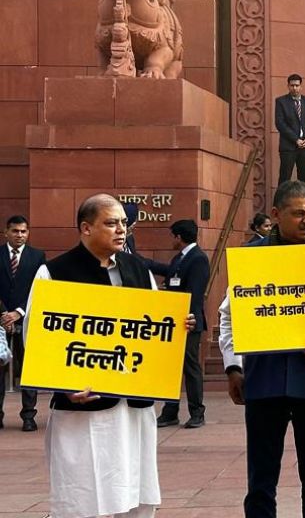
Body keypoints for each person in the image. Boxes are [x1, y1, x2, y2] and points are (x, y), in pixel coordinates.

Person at [31, 194, 195, 518]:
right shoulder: (54, 273)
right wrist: (63, 384)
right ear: (86, 228)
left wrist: (177, 326)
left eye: (123, 222)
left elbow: (151, 327)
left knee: (135, 493)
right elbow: (37, 335)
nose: (121, 229)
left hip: (133, 410)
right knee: (83, 497)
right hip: (83, 410)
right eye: (110, 223)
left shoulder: (139, 268)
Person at [219, 181, 305, 518]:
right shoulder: (251, 259)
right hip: (263, 381)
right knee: (261, 481)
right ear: (276, 215)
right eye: (299, 213)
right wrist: (233, 367)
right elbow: (229, 316)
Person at [156, 219, 210, 429]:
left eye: (173, 236)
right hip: (174, 320)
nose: (172, 240)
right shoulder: (181, 258)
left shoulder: (197, 259)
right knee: (172, 368)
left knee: (191, 367)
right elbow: (170, 274)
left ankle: (197, 412)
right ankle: (170, 412)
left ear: (179, 237)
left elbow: (194, 294)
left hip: (188, 321)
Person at [0, 214, 45, 431]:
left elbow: (40, 288)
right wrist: (4, 314)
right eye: (15, 231)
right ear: (6, 232)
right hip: (0, 321)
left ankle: (29, 416)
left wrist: (18, 313)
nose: (20, 235)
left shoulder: (37, 257)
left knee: (27, 369)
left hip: (27, 319)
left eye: (23, 231)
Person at [274, 74, 305, 184]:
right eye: (292, 85)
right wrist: (295, 139)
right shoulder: (281, 101)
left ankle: (302, 202)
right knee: (285, 178)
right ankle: (281, 201)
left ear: (301, 86)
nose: (295, 88)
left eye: (297, 85)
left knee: (304, 180)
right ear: (288, 86)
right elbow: (280, 123)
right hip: (288, 147)